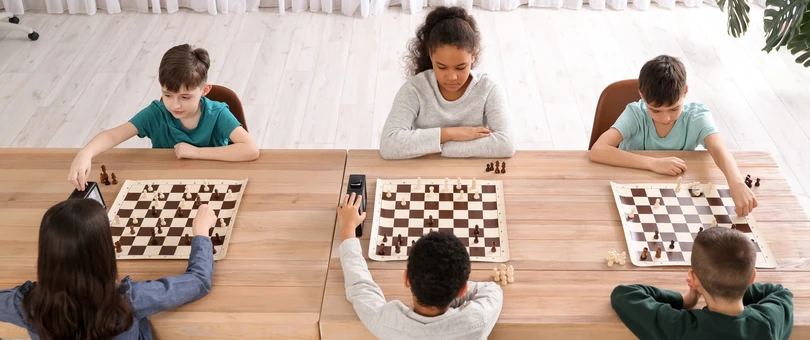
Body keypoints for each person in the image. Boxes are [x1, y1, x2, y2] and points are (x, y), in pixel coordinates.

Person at [0, 198, 216, 340]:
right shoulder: (128, 302)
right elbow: (198, 280)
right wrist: (201, 232)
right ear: (104, 253)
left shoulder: (26, 305)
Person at [68, 44, 260, 191]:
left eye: (185, 97)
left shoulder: (217, 114)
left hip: (215, 184)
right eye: (167, 95)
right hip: (167, 186)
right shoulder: (156, 114)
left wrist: (197, 153)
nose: (175, 105)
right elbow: (112, 136)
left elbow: (250, 149)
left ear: (205, 90)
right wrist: (85, 153)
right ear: (160, 83)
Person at [589, 55, 756, 216]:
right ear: (642, 96)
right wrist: (653, 163)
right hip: (628, 189)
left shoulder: (697, 116)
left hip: (674, 196)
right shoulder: (635, 114)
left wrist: (736, 182)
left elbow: (719, 150)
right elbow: (598, 150)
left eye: (674, 109)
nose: (666, 118)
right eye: (655, 110)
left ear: (685, 92)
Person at [337, 193, 504, 339]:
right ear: (462, 290)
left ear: (406, 278)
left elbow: (359, 287)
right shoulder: (477, 320)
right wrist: (451, 284)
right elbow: (493, 290)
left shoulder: (386, 322)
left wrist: (348, 227)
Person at [379, 6, 515, 160]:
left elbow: (506, 143)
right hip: (424, 172)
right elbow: (389, 144)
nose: (452, 77)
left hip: (471, 173)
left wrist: (442, 148)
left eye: (460, 67)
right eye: (442, 67)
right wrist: (449, 134)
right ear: (431, 55)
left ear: (473, 56)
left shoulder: (488, 88)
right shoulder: (415, 89)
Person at [611, 227, 794, 340]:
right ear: (752, 277)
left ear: (694, 279)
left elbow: (624, 295)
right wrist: (736, 284)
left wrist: (684, 301)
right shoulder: (769, 323)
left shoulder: (682, 329)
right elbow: (780, 292)